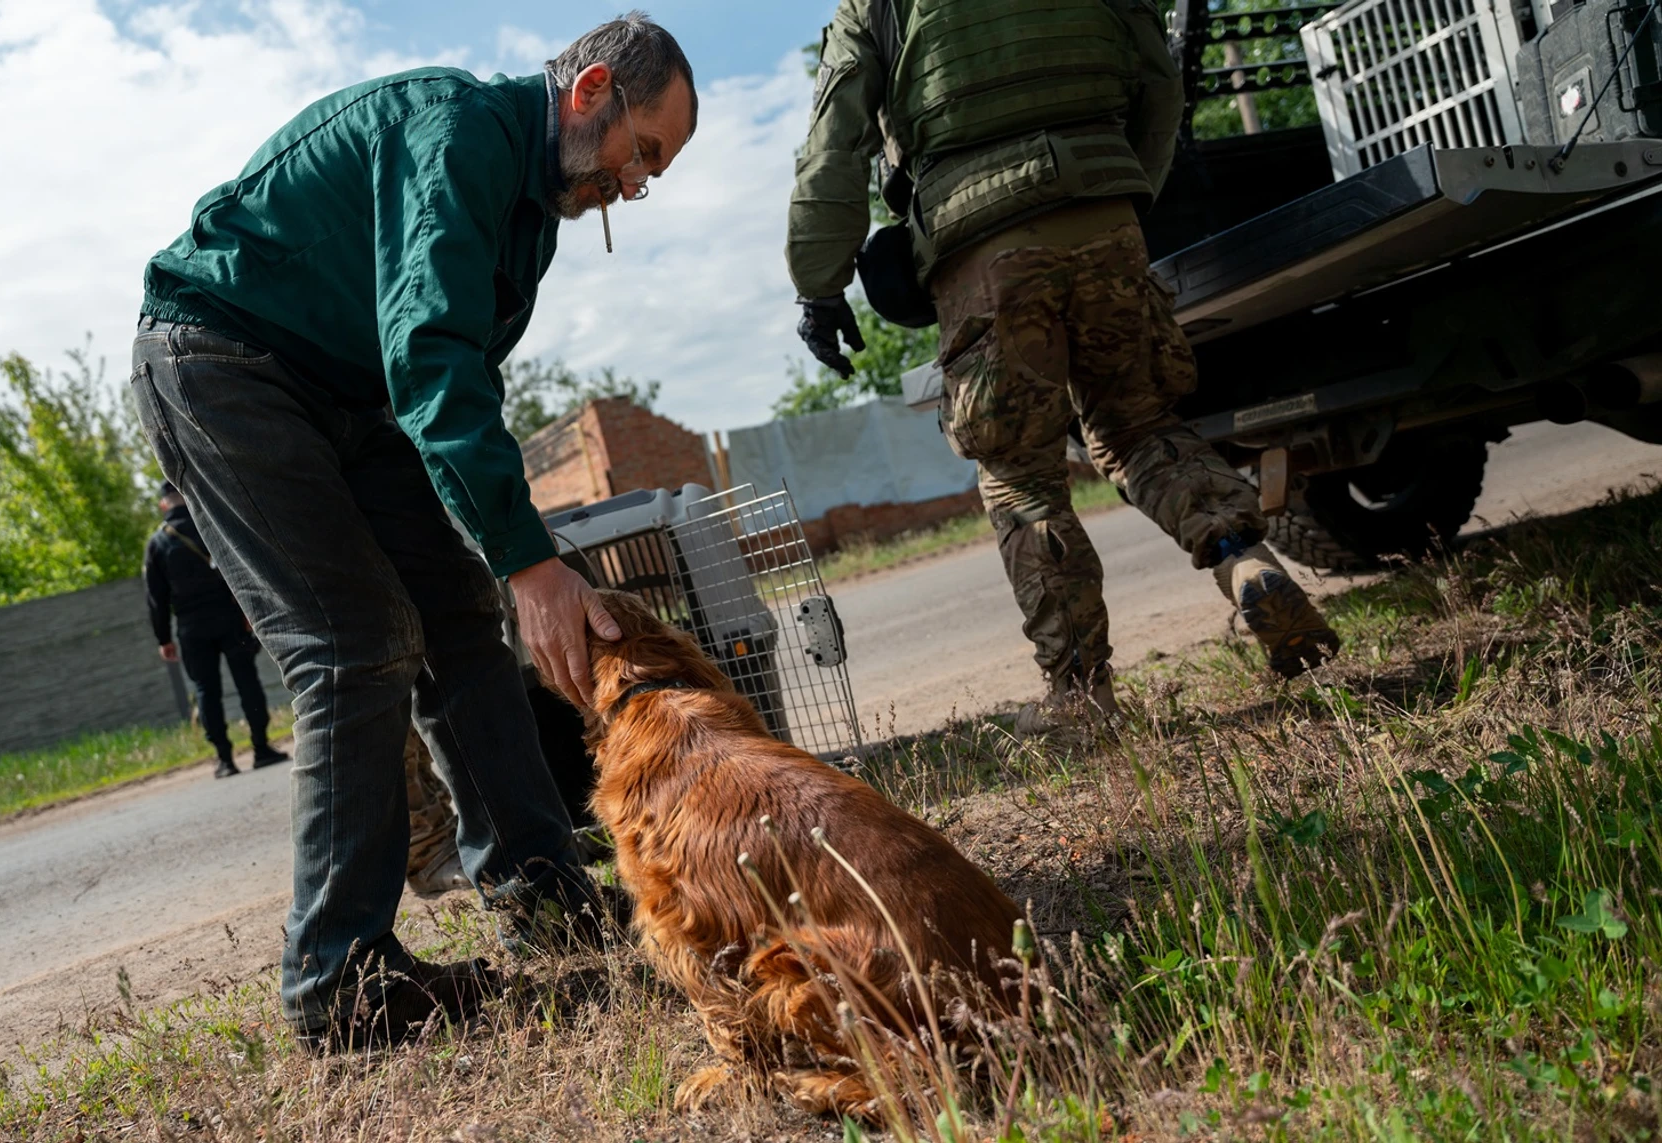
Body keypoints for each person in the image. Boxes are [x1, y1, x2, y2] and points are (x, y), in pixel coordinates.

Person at [130, 13, 697, 1049]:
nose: (636, 183)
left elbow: (458, 381)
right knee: (353, 642)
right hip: (225, 361)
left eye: (653, 172)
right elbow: (431, 356)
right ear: (592, 91)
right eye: (643, 151)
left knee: (460, 623)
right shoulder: (459, 133)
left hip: (355, 398)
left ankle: (544, 900)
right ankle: (339, 984)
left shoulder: (531, 214)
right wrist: (528, 561)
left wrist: (504, 553)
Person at [785, 0, 1340, 728]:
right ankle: (1245, 559)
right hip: (1106, 213)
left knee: (1020, 474)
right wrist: (1122, 184)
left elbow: (834, 143)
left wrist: (819, 284)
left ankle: (1082, 694)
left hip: (983, 244)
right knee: (1139, 425)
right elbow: (1159, 82)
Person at [144, 482, 290, 778]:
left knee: (206, 691)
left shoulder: (157, 543)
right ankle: (261, 748)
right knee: (247, 682)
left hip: (191, 628)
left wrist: (164, 638)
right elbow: (241, 570)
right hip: (230, 619)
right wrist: (251, 612)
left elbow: (156, 598)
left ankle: (224, 760)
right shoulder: (210, 525)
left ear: (163, 505)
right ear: (185, 497)